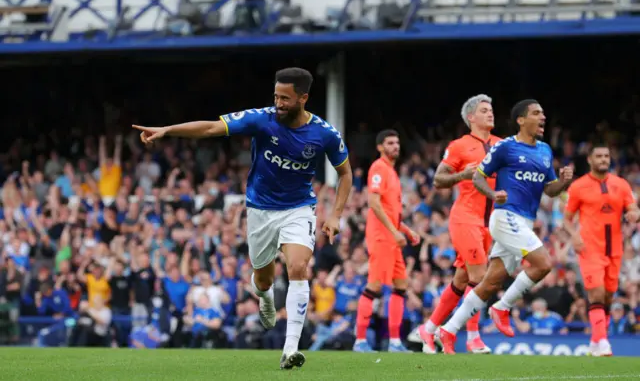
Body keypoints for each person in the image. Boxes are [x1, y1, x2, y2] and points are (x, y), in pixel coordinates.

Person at [132, 67, 353, 369]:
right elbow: (211, 128)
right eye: (276, 96)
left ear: (304, 98)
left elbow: (345, 173)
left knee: (299, 267)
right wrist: (168, 130)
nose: (278, 103)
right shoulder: (262, 119)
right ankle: (264, 296)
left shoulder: (325, 134)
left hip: (299, 208)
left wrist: (336, 215)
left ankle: (290, 349)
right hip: (260, 210)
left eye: (286, 98)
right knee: (263, 278)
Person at [437, 99, 573, 354]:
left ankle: (448, 330)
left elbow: (549, 190)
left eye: (543, 112)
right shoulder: (505, 147)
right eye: (536, 113)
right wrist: (492, 193)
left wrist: (563, 183)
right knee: (544, 263)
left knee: (489, 283)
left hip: (526, 221)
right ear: (521, 120)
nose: (542, 117)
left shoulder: (545, 151)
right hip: (505, 217)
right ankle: (502, 307)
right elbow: (477, 177)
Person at [418, 94, 500, 354]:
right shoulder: (459, 146)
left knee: (462, 279)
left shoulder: (501, 145)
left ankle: (429, 329)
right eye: (484, 110)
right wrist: (463, 174)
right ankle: (472, 336)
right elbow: (439, 179)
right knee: (480, 277)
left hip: (489, 222)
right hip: (465, 217)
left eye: (491, 109)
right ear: (471, 118)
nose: (490, 114)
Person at [563, 144, 639, 356]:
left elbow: (631, 207)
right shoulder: (579, 186)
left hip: (614, 248)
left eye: (606, 156)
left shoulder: (621, 184)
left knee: (607, 296)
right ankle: (603, 341)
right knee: (595, 292)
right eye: (599, 156)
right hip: (590, 248)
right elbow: (567, 220)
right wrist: (574, 235)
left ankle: (596, 341)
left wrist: (634, 213)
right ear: (590, 160)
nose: (604, 159)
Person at [353, 129, 419, 353]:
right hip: (381, 237)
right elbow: (374, 203)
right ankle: (360, 340)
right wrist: (395, 232)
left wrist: (407, 230)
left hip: (392, 237)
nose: (395, 146)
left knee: (401, 286)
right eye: (390, 143)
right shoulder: (378, 168)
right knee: (374, 286)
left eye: (397, 143)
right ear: (380, 147)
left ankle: (394, 342)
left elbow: (391, 212)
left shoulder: (391, 171)